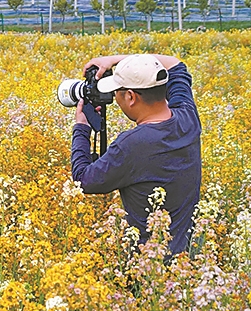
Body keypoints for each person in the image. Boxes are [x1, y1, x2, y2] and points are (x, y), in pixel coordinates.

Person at [70, 53, 201, 255]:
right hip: (189, 259)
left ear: (131, 97)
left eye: (117, 92)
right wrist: (114, 61)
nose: (114, 97)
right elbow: (175, 64)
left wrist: (81, 128)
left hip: (148, 264)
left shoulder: (131, 145)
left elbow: (83, 180)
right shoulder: (187, 117)